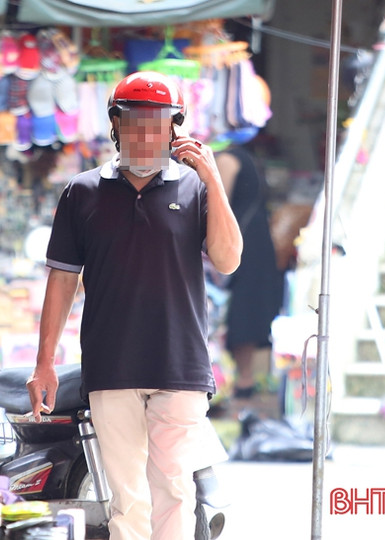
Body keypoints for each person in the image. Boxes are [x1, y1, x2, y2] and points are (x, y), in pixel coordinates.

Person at [26, 71, 242, 540]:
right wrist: (44, 363)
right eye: (134, 121)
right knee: (127, 500)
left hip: (179, 365)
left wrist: (211, 176)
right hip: (110, 365)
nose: (145, 134)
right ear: (116, 126)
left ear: (174, 129)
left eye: (157, 123)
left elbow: (227, 260)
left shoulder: (197, 188)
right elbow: (62, 281)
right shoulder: (81, 192)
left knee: (175, 491)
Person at [215, 144, 284, 399]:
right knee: (248, 309)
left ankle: (242, 378)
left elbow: (217, 205)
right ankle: (244, 378)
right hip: (253, 242)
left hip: (241, 246)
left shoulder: (227, 160)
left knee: (240, 311)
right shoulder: (245, 158)